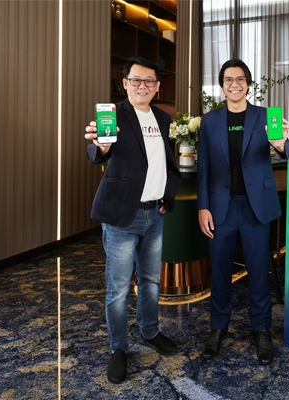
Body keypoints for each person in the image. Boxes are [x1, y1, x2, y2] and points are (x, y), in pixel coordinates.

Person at [84, 56, 182, 384]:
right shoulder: (113, 115)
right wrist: (100, 147)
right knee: (119, 289)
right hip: (122, 217)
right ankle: (118, 348)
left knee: (151, 281)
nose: (143, 86)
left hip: (155, 214)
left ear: (157, 86)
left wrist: (166, 196)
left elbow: (163, 162)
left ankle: (150, 331)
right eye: (136, 80)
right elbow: (98, 151)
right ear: (125, 83)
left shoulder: (163, 117)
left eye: (149, 81)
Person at [197, 58, 289, 364]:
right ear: (222, 85)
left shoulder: (265, 116)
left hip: (256, 208)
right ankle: (218, 327)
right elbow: (203, 168)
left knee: (258, 270)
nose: (235, 84)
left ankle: (262, 329)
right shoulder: (210, 121)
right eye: (228, 80)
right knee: (220, 272)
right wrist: (203, 207)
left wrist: (280, 143)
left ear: (249, 84)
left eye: (240, 79)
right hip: (221, 208)